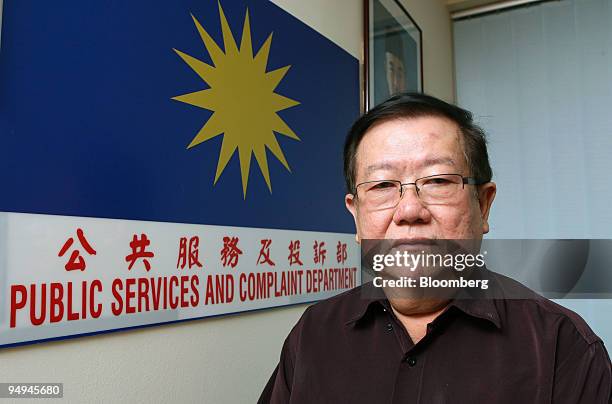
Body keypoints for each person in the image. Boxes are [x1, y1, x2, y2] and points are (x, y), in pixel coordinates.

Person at [259, 93, 612, 403]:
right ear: (355, 214)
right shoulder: (314, 333)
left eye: (438, 181)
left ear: (483, 204)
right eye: (382, 185)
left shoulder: (563, 346)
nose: (410, 210)